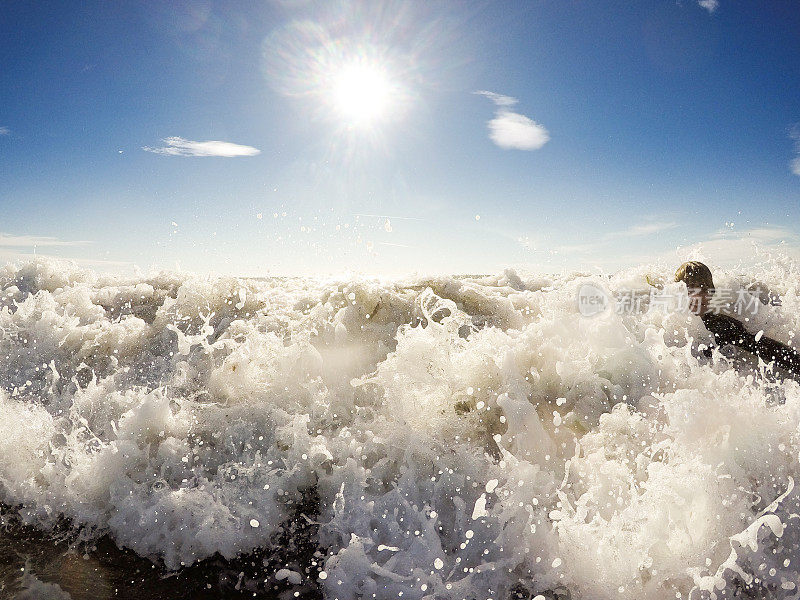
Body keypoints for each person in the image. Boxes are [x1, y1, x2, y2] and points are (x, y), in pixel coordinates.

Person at [675, 261, 800, 378]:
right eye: (690, 288)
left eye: (703, 288)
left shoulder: (722, 325)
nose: (698, 295)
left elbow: (767, 348)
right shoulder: (665, 331)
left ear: (710, 292)